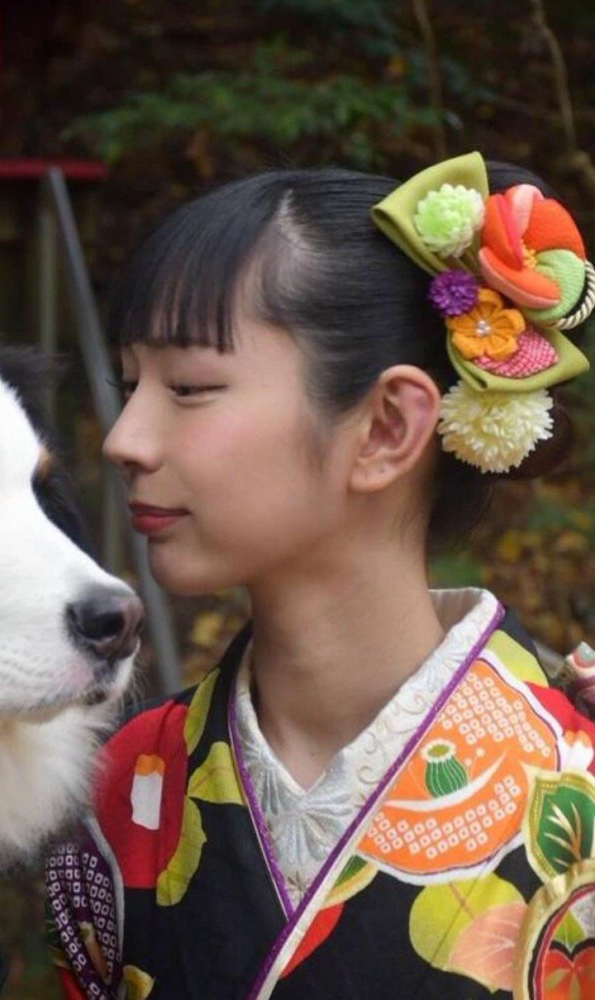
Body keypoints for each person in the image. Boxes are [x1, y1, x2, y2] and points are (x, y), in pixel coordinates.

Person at [45, 152, 595, 1000]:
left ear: (384, 427)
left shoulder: (580, 787)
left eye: (188, 387)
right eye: (129, 384)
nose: (124, 438)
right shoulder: (121, 780)